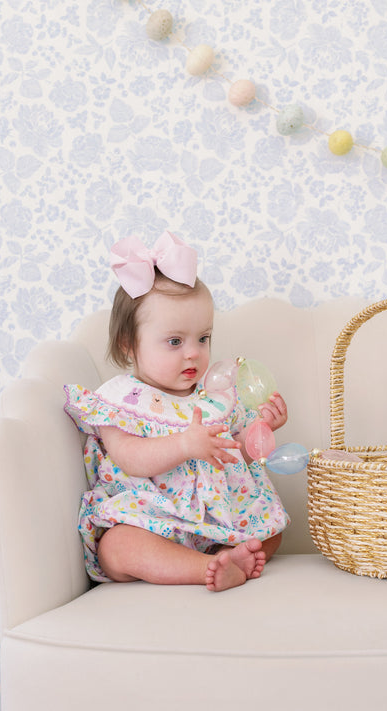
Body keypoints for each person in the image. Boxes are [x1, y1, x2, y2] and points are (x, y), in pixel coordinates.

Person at [64, 231, 290, 592]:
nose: (193, 353)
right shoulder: (123, 399)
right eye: (174, 342)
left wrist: (261, 428)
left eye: (203, 338)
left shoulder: (216, 395)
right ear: (129, 344)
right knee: (116, 548)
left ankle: (225, 556)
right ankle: (206, 567)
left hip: (220, 520)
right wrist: (184, 445)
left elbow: (239, 454)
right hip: (150, 520)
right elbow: (130, 458)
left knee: (271, 531)